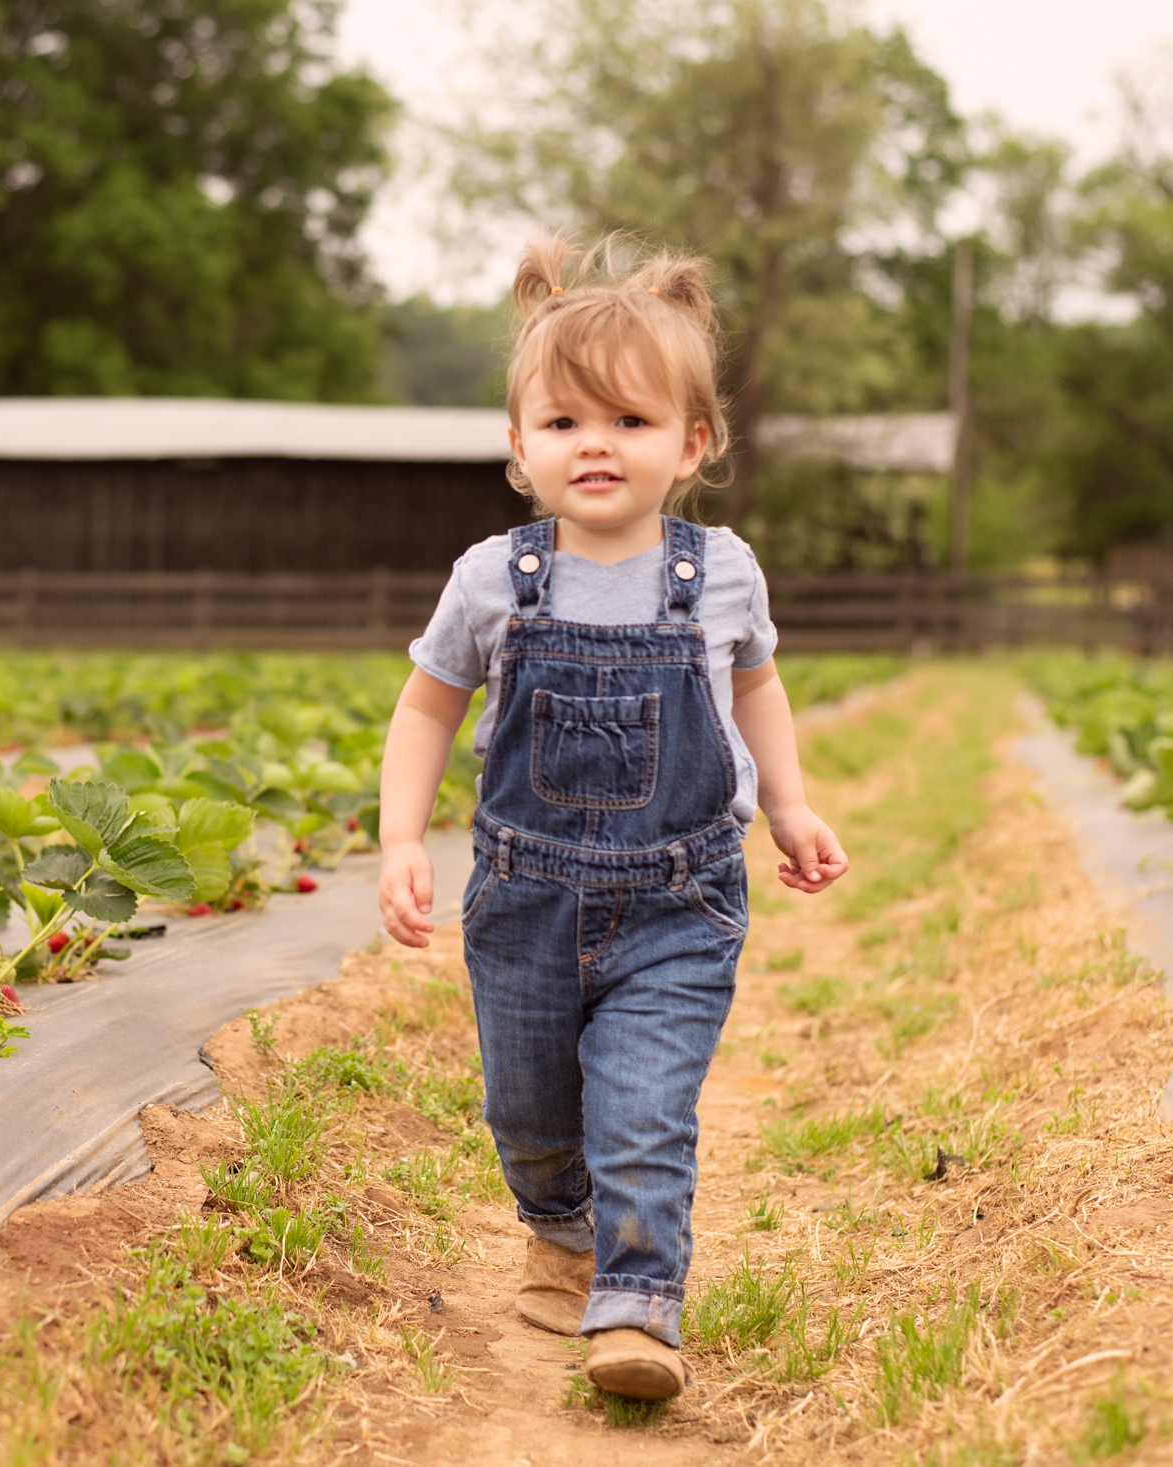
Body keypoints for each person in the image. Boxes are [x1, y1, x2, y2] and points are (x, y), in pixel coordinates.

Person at [375, 234, 849, 1402]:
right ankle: (560, 1229)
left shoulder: (720, 572)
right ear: (518, 447)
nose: (596, 445)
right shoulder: (493, 578)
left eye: (631, 423)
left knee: (641, 1105)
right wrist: (399, 840)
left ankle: (637, 1306)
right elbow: (426, 708)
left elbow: (755, 688)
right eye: (564, 424)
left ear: (692, 445)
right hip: (522, 900)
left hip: (677, 901)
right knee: (529, 1111)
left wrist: (786, 803)